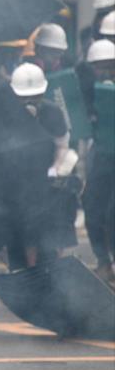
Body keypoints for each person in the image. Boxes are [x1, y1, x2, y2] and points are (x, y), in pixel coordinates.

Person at [8, 63, 75, 269]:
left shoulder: (53, 112)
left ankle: (51, 272)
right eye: (23, 97)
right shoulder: (6, 114)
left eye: (34, 96)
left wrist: (56, 168)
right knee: (19, 236)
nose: (29, 101)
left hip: (47, 181)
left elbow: (62, 144)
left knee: (51, 231)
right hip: (16, 182)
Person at [82, 39, 115, 284]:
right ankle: (103, 261)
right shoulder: (85, 88)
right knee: (93, 206)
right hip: (100, 153)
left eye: (108, 66)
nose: (104, 72)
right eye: (98, 67)